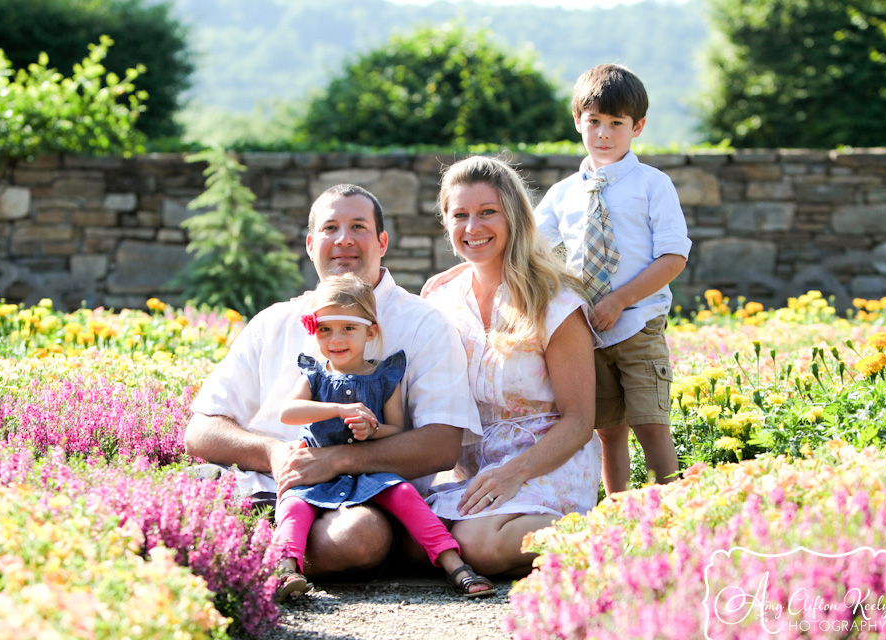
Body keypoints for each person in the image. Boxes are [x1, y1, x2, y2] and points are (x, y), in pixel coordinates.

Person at [185, 184, 483, 579]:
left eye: (358, 226)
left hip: (363, 499)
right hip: (266, 483)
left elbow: (443, 444)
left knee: (358, 538)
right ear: (311, 245)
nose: (344, 239)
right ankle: (255, 544)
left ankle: (235, 549)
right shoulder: (272, 322)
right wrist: (275, 455)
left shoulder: (424, 325)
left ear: (382, 242)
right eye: (330, 228)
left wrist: (338, 460)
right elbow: (202, 429)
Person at [421, 156, 599, 578]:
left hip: (547, 459)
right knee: (414, 536)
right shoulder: (440, 299)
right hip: (474, 468)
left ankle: (610, 533)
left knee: (484, 547)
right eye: (459, 215)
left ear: (514, 217)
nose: (472, 227)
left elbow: (580, 420)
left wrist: (514, 473)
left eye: (487, 213)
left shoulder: (553, 300)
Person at [273, 273, 495, 599]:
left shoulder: (384, 376)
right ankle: (285, 571)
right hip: (316, 472)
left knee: (406, 495)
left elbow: (397, 429)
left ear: (370, 331)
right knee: (292, 506)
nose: (336, 339)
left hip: (369, 473)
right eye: (325, 329)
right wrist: (337, 410)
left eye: (348, 328)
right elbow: (288, 412)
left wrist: (374, 430)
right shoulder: (314, 374)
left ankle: (455, 565)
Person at [534, 63, 692, 495]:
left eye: (616, 123)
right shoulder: (563, 194)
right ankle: (620, 511)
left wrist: (619, 300)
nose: (604, 133)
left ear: (637, 126)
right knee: (607, 430)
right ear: (577, 122)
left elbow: (674, 255)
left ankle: (671, 511)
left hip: (638, 322)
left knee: (650, 423)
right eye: (594, 122)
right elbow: (533, 250)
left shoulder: (652, 185)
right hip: (587, 331)